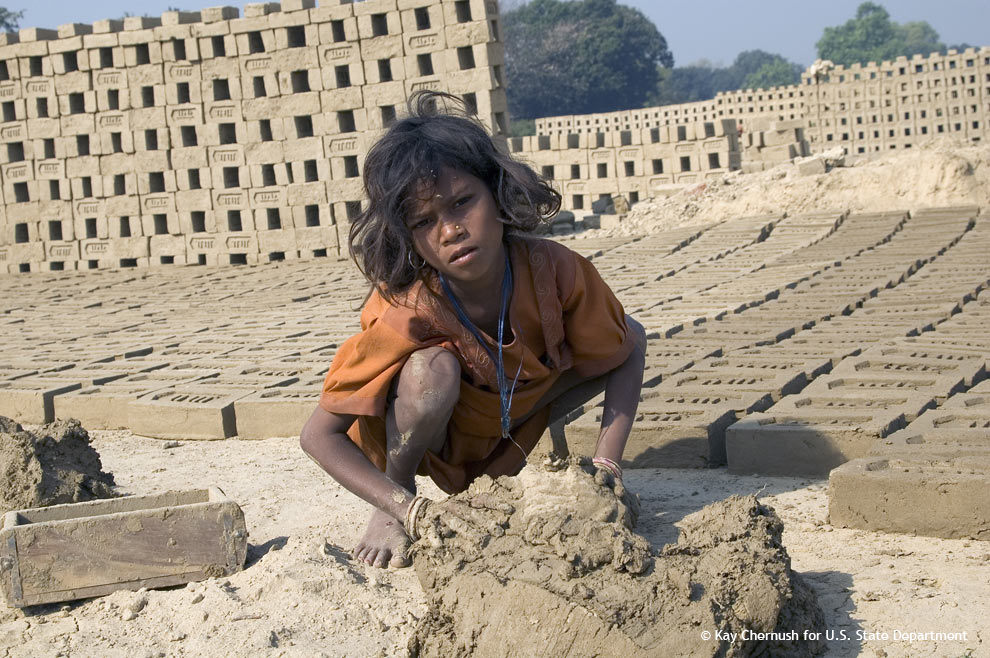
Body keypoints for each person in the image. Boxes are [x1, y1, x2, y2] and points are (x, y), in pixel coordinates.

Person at [300, 91, 646, 568]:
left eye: (462, 203)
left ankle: (580, 472)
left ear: (498, 193)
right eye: (424, 221)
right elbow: (318, 435)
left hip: (519, 419)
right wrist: (407, 507)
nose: (450, 231)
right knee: (429, 374)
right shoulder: (410, 308)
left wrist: (606, 470)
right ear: (408, 238)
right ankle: (393, 496)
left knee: (625, 335)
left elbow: (629, 345)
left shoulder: (555, 271)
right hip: (436, 438)